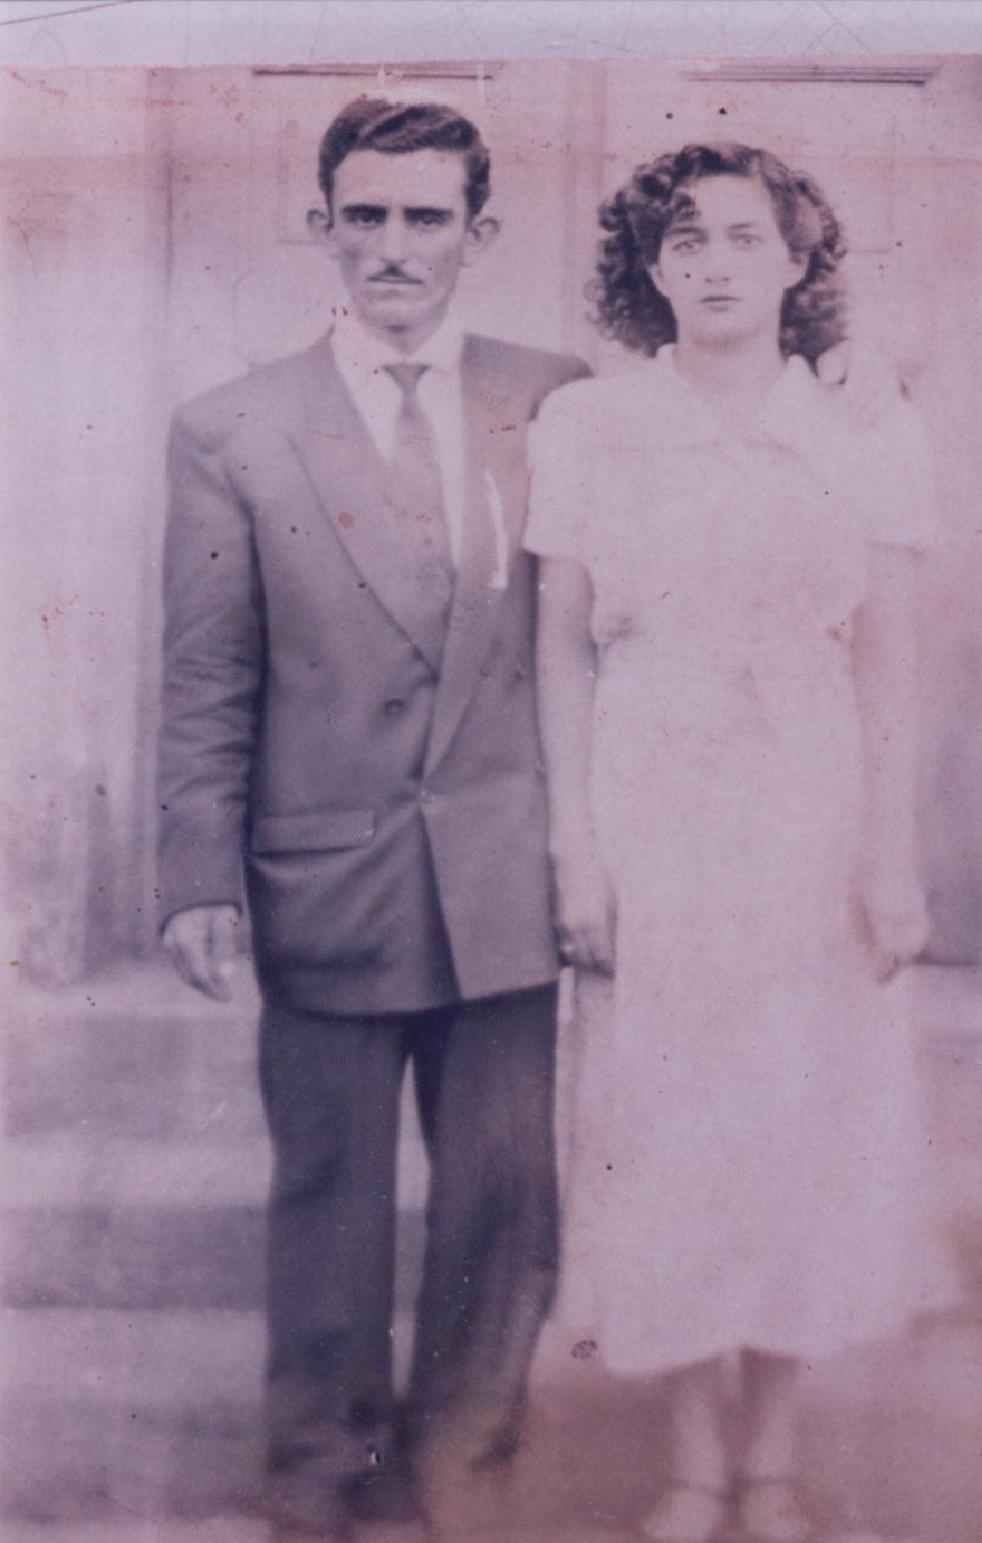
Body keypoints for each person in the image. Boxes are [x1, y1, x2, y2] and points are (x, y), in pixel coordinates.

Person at [157, 97, 590, 1540]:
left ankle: (461, 1470)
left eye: (425, 218)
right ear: (322, 226)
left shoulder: (561, 398)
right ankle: (320, 1477)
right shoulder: (231, 426)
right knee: (329, 1196)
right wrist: (197, 872)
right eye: (365, 216)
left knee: (503, 1206)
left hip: (504, 870)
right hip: (324, 869)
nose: (393, 246)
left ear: (478, 232)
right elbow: (207, 670)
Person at [526, 143, 955, 1543]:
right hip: (648, 803)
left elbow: (889, 659)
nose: (713, 263)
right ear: (648, 272)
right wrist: (576, 853)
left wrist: (887, 857)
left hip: (807, 809)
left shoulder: (862, 419)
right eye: (683, 241)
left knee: (797, 1126)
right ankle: (692, 1458)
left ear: (796, 258)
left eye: (742, 236)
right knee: (662, 1135)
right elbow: (560, 653)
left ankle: (769, 1456)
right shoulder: (589, 424)